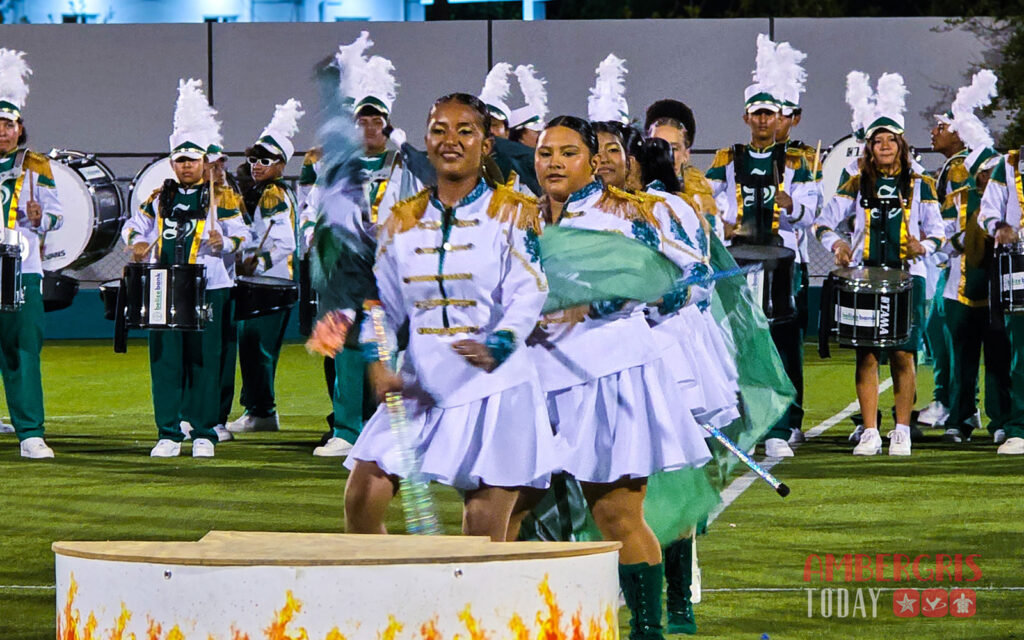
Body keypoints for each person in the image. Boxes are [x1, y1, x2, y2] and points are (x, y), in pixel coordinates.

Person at [342, 93, 557, 541]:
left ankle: (481, 611)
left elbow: (530, 290)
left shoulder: (512, 211)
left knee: (481, 533)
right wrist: (380, 360)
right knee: (363, 497)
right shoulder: (402, 220)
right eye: (440, 130)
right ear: (426, 140)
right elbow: (381, 303)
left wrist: (496, 345)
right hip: (419, 383)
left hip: (494, 388)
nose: (451, 141)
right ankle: (399, 603)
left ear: (486, 145)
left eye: (465, 131)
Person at [527, 115, 711, 640]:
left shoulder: (628, 214)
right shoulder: (518, 217)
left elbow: (693, 280)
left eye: (568, 152)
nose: (555, 163)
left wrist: (615, 297)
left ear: (593, 160)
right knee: (510, 510)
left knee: (617, 517)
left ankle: (648, 630)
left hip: (610, 377)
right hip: (533, 380)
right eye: (545, 153)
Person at [814, 72, 945, 457]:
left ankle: (901, 429)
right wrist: (837, 243)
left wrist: (925, 245)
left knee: (904, 353)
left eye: (890, 140)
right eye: (877, 140)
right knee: (867, 352)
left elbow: (938, 232)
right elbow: (822, 221)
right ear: (868, 148)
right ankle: (871, 430)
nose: (884, 145)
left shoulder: (922, 184)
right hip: (865, 278)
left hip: (909, 278)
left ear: (901, 146)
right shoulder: (855, 183)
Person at [705, 35, 820, 458]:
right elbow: (708, 203)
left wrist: (792, 204)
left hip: (781, 262)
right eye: (756, 114)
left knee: (783, 341)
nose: (762, 121)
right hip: (740, 261)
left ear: (779, 117)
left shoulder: (796, 161)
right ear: (746, 117)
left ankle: (785, 423)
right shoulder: (726, 156)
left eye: (770, 114)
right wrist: (725, 222)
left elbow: (813, 211)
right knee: (741, 340)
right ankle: (745, 419)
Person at [123, 78, 247, 458]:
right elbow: (132, 227)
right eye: (180, 159)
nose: (186, 166)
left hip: (210, 286)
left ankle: (205, 431)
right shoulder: (158, 196)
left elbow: (245, 234)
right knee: (166, 360)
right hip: (165, 285)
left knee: (206, 359)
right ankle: (168, 431)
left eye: (193, 160)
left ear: (204, 162)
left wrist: (223, 242)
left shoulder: (222, 196)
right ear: (172, 161)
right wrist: (137, 244)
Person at [311, 33, 401, 457]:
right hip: (346, 267)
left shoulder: (403, 163)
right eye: (361, 120)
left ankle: (384, 428)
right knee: (342, 349)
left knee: (383, 347)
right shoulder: (336, 166)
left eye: (375, 120)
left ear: (386, 123)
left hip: (386, 266)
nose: (367, 126)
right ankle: (345, 429)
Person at [932, 71, 1009, 444]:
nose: (981, 177)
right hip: (957, 284)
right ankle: (960, 417)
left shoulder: (1004, 181)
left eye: (985, 171)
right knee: (961, 357)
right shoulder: (954, 189)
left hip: (999, 284)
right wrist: (961, 241)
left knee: (998, 356)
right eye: (976, 172)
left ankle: (1000, 421)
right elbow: (944, 235)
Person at [224, 99, 302, 435]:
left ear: (281, 165)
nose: (256, 165)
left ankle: (262, 412)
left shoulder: (273, 195)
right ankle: (258, 410)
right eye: (253, 158)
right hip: (261, 281)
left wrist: (257, 263)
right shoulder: (263, 191)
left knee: (258, 348)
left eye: (265, 160)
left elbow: (287, 242)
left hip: (271, 282)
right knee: (252, 346)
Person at [0, 48, 62, 459]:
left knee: (22, 350)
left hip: (21, 269)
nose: (2, 131)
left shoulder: (35, 163)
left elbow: (58, 219)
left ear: (20, 128)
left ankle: (30, 433)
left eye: (8, 124)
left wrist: (41, 217)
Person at [977, 121, 1024, 455]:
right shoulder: (1009, 164)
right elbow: (987, 211)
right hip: (1020, 266)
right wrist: (1000, 226)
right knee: (1022, 352)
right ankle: (1019, 426)